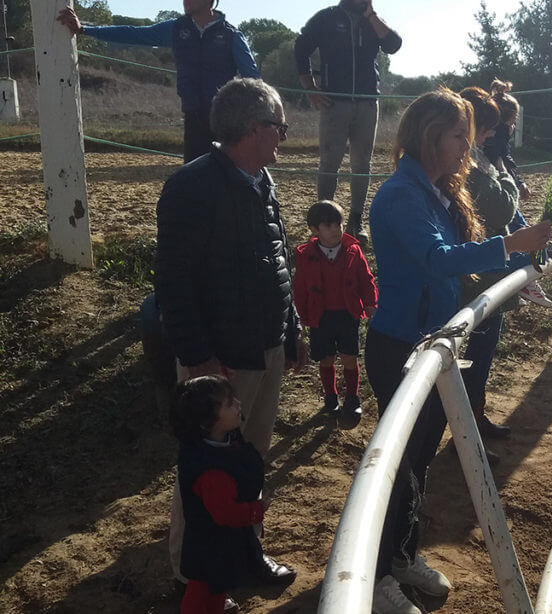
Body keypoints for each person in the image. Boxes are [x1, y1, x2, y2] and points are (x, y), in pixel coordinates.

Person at [364, 87, 552, 614]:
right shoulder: (402, 195)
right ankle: (378, 576)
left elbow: (467, 246)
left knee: (419, 461)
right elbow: (439, 257)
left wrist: (536, 246)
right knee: (401, 464)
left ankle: (402, 555)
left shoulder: (435, 189)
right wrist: (513, 247)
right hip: (401, 344)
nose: (466, 149)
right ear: (430, 135)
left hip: (431, 340)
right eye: (458, 136)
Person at [155, 77, 305, 595]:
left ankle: (243, 554)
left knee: (248, 463)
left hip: (261, 349)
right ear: (253, 128)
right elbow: (172, 282)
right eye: (279, 127)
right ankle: (190, 572)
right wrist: (199, 359)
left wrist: (289, 332)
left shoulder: (262, 182)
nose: (283, 137)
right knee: (204, 472)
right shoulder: (191, 187)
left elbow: (277, 258)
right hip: (219, 361)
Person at [57, 0, 259, 163]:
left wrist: (257, 117)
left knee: (224, 176)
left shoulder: (231, 35)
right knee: (194, 177)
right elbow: (134, 34)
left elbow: (253, 80)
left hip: (224, 121)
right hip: (193, 117)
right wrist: (84, 29)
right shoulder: (177, 28)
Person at [170, 375, 297, 614]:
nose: (239, 404)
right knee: (200, 591)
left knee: (218, 586)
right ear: (208, 421)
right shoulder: (211, 470)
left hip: (221, 543)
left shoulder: (223, 441)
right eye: (229, 403)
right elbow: (224, 514)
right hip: (210, 545)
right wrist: (256, 510)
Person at [459, 86, 534, 458]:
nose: (491, 135)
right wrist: (505, 175)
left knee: (484, 349)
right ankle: (466, 431)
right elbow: (502, 208)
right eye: (486, 127)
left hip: (488, 268)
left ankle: (475, 415)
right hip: (480, 271)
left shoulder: (473, 160)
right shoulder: (473, 166)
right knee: (477, 348)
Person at [294, 0, 402, 245]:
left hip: (366, 102)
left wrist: (372, 15)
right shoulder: (326, 17)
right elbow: (301, 47)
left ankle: (356, 219)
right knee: (329, 162)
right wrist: (309, 87)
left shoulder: (373, 21)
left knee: (362, 163)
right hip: (334, 103)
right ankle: (323, 219)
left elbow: (394, 45)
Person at [293, 200, 377, 428]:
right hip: (320, 317)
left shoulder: (353, 250)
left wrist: (370, 302)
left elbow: (366, 279)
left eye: (338, 224)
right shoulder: (305, 255)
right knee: (326, 358)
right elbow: (299, 288)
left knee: (349, 357)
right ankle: (330, 397)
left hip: (348, 314)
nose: (335, 230)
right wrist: (300, 316)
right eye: (328, 225)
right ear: (313, 229)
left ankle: (352, 396)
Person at [482, 79, 552, 308]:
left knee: (515, 233)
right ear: (507, 119)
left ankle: (526, 278)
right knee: (519, 232)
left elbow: (505, 159)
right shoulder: (498, 135)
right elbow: (503, 161)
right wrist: (516, 182)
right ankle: (527, 278)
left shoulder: (497, 134)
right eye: (514, 120)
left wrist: (520, 182)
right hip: (498, 193)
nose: (515, 125)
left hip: (499, 190)